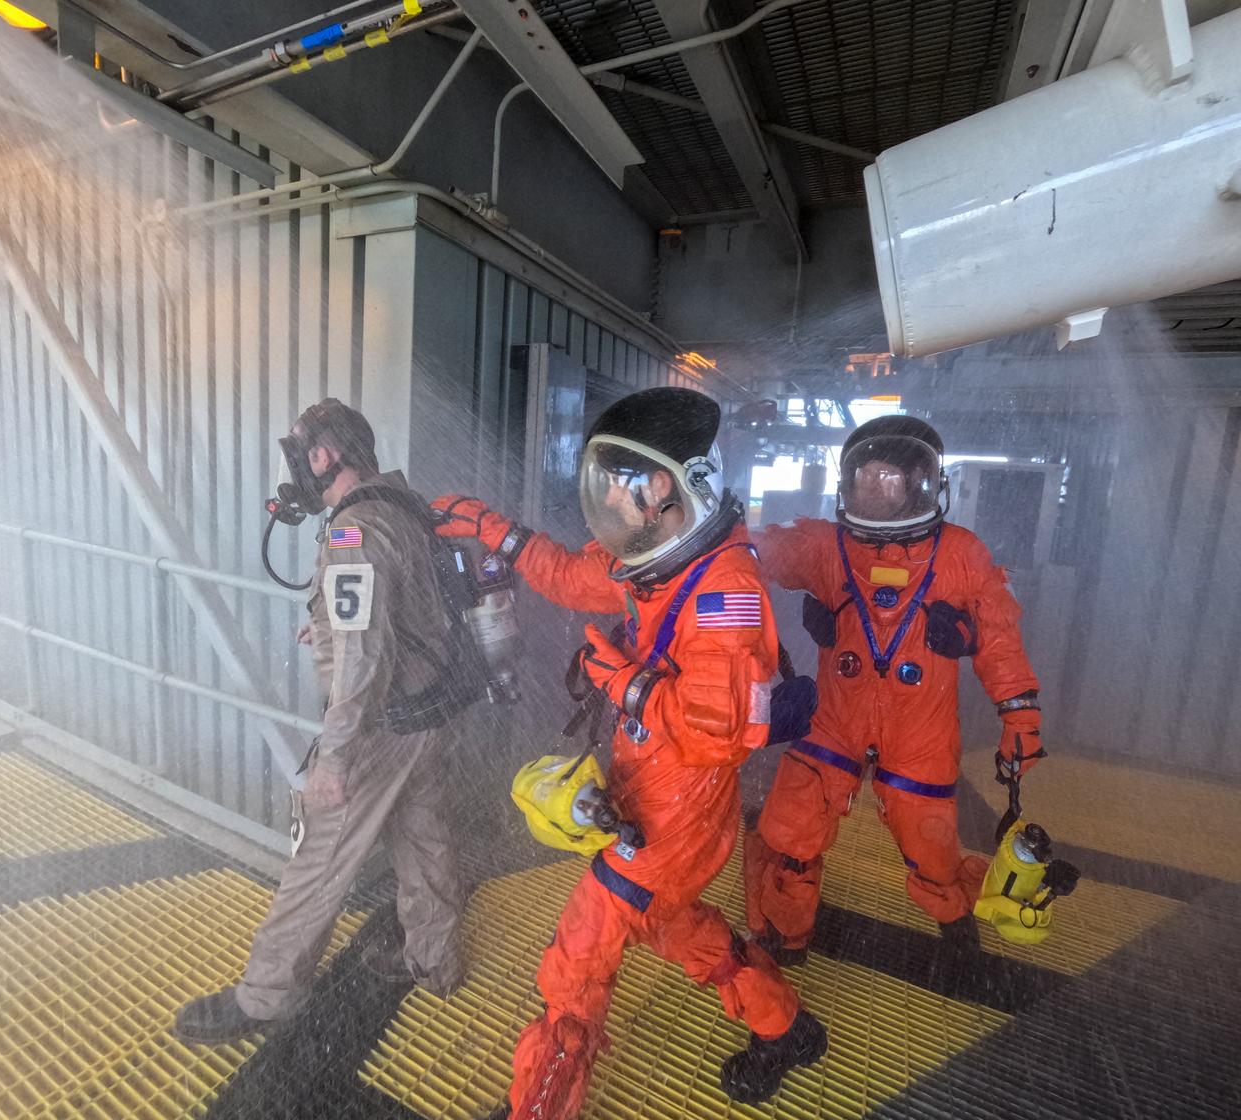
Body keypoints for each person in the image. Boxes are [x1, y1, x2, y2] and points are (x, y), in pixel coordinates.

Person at [433, 387, 826, 1120]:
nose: (614, 500)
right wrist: (497, 533)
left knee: (579, 957)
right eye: (607, 482)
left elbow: (717, 732)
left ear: (682, 486)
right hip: (652, 789)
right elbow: (572, 575)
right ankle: (785, 1026)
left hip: (680, 807)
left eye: (629, 483)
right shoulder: (653, 559)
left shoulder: (724, 589)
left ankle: (537, 1107)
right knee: (671, 924)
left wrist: (626, 682)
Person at [174, 398, 465, 1044]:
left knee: (318, 858)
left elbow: (363, 653)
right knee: (424, 837)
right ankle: (434, 958)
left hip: (378, 727)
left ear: (324, 455)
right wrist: (328, 623)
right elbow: (396, 606)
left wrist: (334, 758)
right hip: (428, 711)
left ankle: (266, 995)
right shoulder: (403, 506)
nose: (298, 472)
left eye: (301, 456)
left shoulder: (353, 530)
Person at [744, 415, 1043, 963]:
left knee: (933, 853)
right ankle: (782, 940)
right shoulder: (826, 547)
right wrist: (707, 544)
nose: (876, 491)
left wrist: (1018, 718)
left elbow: (1000, 642)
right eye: (866, 479)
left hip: (920, 733)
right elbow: (752, 554)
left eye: (889, 480)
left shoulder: (959, 555)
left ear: (921, 484)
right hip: (835, 721)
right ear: (848, 484)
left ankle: (959, 935)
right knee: (789, 832)